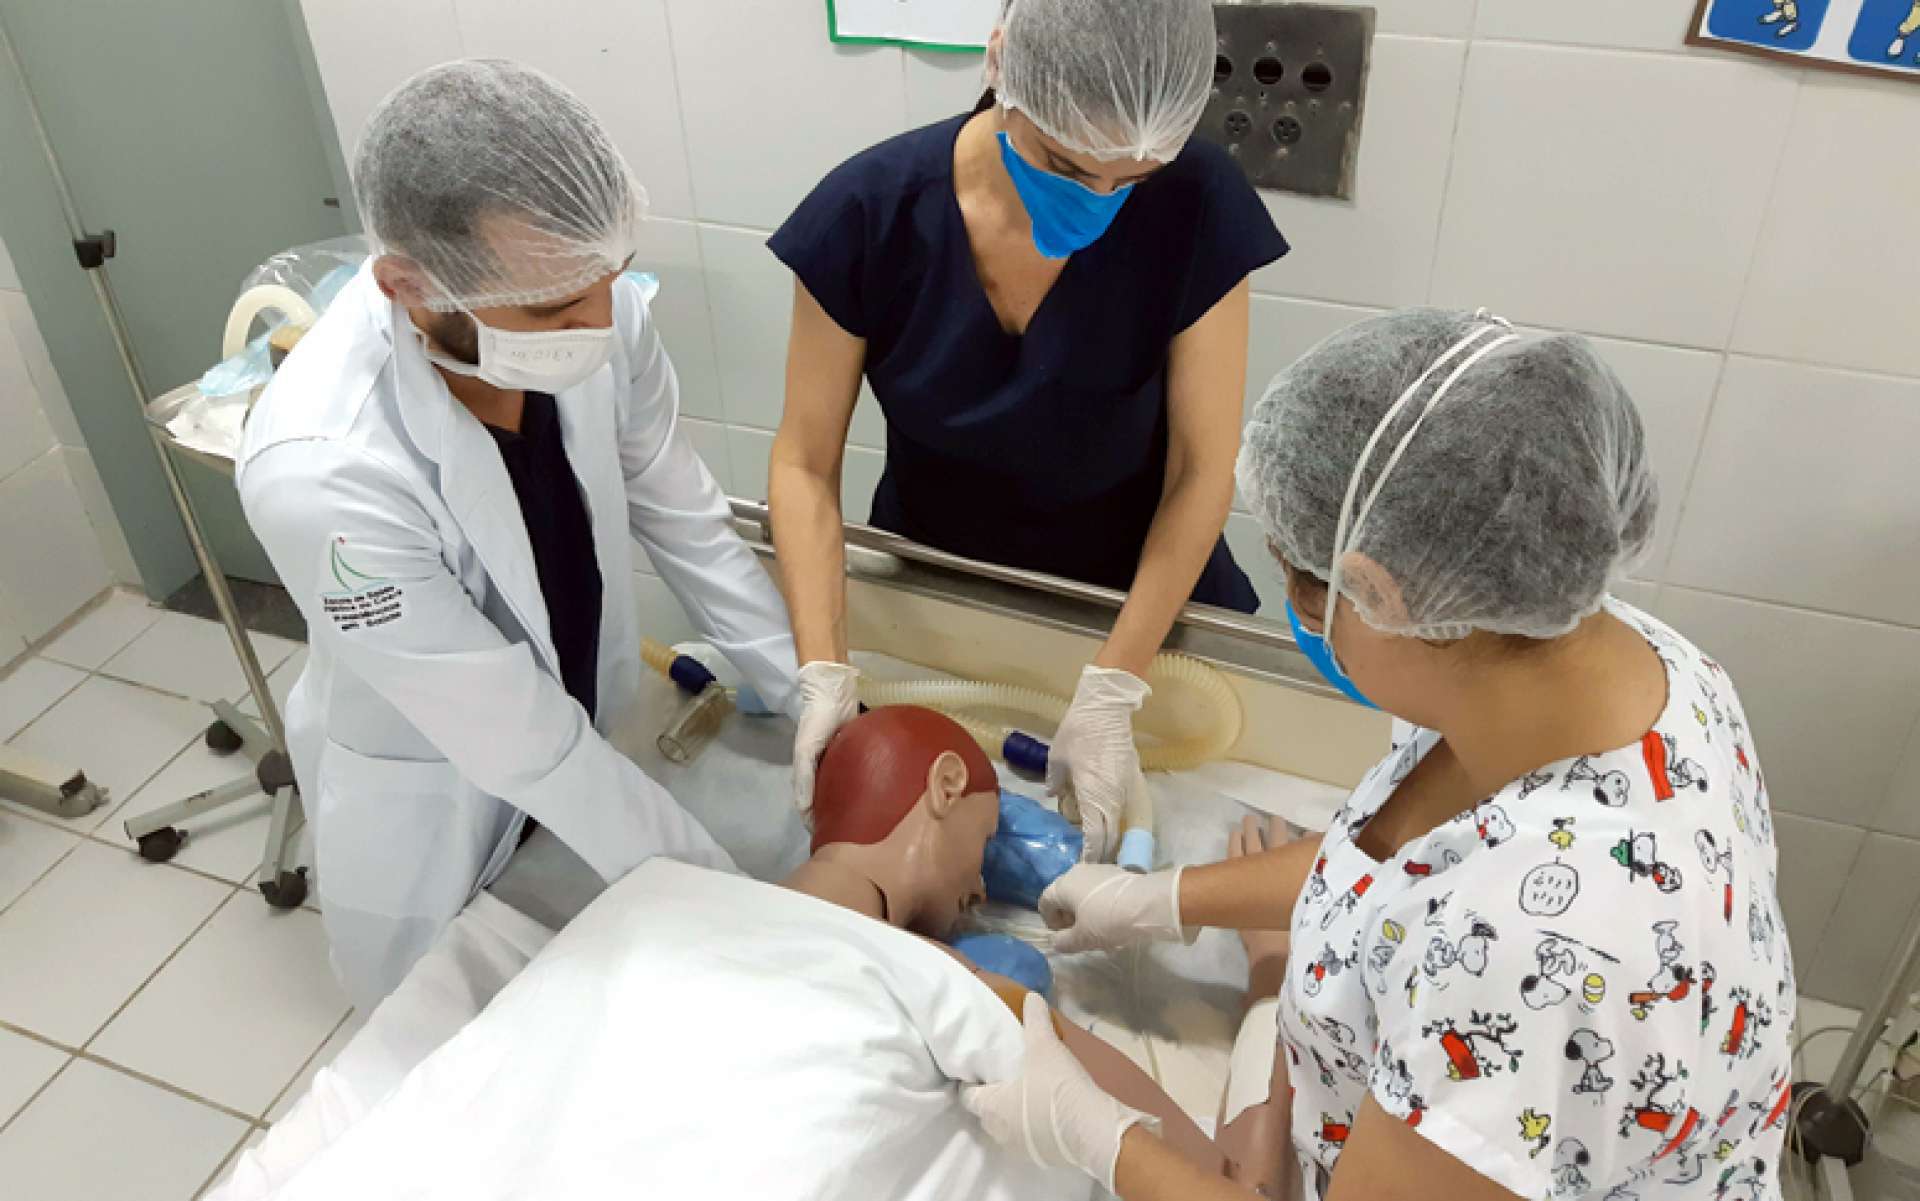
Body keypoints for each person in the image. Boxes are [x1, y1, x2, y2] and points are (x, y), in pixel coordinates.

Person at [963, 310, 1798, 1201]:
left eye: (1296, 578)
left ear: (1381, 590)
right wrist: (1162, 899)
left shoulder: (1549, 957)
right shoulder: (1593, 659)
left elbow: (1492, 935)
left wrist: (1101, 1139)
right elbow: (1412, 868)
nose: (1297, 613)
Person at [238, 60, 798, 1010]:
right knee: (463, 1050)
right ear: (410, 285)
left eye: (608, 281)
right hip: (437, 805)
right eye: (552, 310)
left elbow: (681, 508)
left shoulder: (591, 303)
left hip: (580, 732)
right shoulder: (324, 465)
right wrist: (730, 899)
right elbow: (516, 737)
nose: (600, 322)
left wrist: (804, 686)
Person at [214, 706, 1288, 1200]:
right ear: (949, 790)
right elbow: (1224, 1179)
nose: (982, 880)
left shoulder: (643, 899)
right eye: (987, 837)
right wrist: (1271, 968)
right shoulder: (944, 980)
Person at [772, 0, 1290, 860]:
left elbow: (1203, 468)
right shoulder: (870, 212)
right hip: (945, 590)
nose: (1098, 202)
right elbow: (802, 460)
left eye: (1132, 178)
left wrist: (1116, 683)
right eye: (1063, 164)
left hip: (1146, 604)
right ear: (999, 64)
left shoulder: (1197, 199)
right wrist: (824, 668)